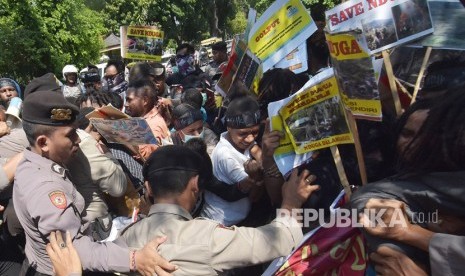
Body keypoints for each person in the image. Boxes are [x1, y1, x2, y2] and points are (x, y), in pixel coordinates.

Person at [13, 90, 175, 275]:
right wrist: (134, 259)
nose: (77, 140)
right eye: (70, 135)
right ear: (43, 143)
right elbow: (73, 250)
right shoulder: (47, 188)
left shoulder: (30, 162)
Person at [121, 145, 320, 275]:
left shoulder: (125, 237)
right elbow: (280, 240)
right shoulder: (206, 237)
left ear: (148, 188)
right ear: (196, 184)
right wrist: (290, 204)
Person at [351, 88, 465, 275]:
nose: (414, 144)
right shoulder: (386, 187)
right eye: (407, 134)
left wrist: (414, 235)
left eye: (424, 136)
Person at [200, 95, 264, 226]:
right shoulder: (226, 157)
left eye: (255, 132)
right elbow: (254, 196)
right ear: (229, 128)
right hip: (223, 224)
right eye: (243, 134)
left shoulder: (239, 140)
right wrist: (257, 177)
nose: (250, 138)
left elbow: (255, 148)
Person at [124, 80, 170, 159]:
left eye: (129, 100)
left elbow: (146, 158)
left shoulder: (153, 126)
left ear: (145, 101)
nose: (125, 104)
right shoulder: (143, 121)